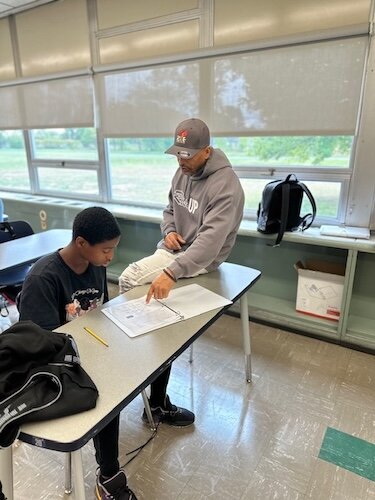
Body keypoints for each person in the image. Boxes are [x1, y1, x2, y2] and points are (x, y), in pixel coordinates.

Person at [119, 117, 245, 425]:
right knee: (143, 294)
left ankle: (146, 355)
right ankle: (152, 354)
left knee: (129, 278)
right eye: (177, 153)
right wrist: (168, 230)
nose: (181, 160)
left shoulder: (226, 187)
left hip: (198, 259)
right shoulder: (182, 172)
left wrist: (173, 272)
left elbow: (210, 244)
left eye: (187, 155)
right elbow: (169, 210)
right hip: (175, 250)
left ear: (207, 151)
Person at [18, 207, 136, 500]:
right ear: (81, 243)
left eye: (113, 250)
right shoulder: (43, 279)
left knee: (135, 368)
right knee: (107, 395)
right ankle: (108, 474)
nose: (111, 258)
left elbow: (101, 311)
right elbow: (41, 344)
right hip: (53, 365)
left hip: (91, 348)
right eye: (106, 250)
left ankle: (157, 405)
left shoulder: (96, 263)